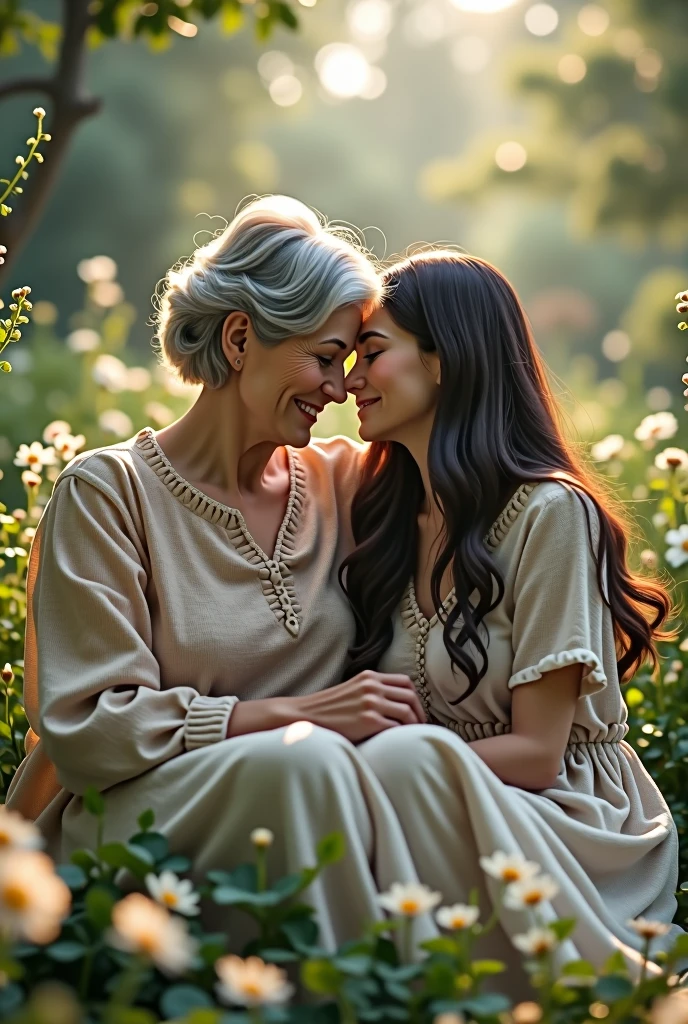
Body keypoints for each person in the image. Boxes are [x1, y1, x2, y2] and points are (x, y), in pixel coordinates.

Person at [5, 197, 437, 951]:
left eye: (350, 362)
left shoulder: (346, 483)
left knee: (339, 766)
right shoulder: (109, 494)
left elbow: (482, 467)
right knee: (312, 763)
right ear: (242, 338)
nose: (340, 388)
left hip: (307, 801)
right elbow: (89, 732)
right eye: (327, 356)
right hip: (135, 821)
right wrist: (301, 716)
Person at [339, 249, 685, 992]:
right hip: (433, 800)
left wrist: (363, 767)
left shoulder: (551, 514)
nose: (348, 380)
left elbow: (535, 753)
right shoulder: (388, 517)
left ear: (443, 360)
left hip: (566, 818)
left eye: (372, 353)